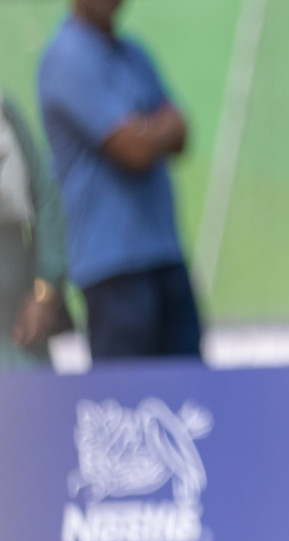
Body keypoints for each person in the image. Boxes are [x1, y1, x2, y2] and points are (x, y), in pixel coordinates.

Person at [37, 0, 200, 361]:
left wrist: (144, 130)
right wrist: (154, 129)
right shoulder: (66, 58)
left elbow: (183, 131)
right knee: (125, 402)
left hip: (165, 254)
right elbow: (134, 152)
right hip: (111, 266)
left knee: (191, 398)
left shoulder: (135, 53)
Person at [0, 91, 68, 369]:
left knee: (36, 406)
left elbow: (45, 197)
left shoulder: (4, 111)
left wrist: (44, 290)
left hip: (19, 320)